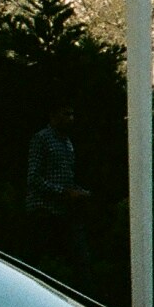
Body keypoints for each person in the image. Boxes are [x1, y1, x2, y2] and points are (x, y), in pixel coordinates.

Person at [24, 101, 92, 282]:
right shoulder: (42, 139)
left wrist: (78, 192)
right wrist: (63, 192)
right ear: (54, 115)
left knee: (80, 259)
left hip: (63, 211)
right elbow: (34, 178)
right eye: (65, 114)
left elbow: (66, 177)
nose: (70, 119)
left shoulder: (67, 143)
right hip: (43, 210)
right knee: (36, 260)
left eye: (72, 114)